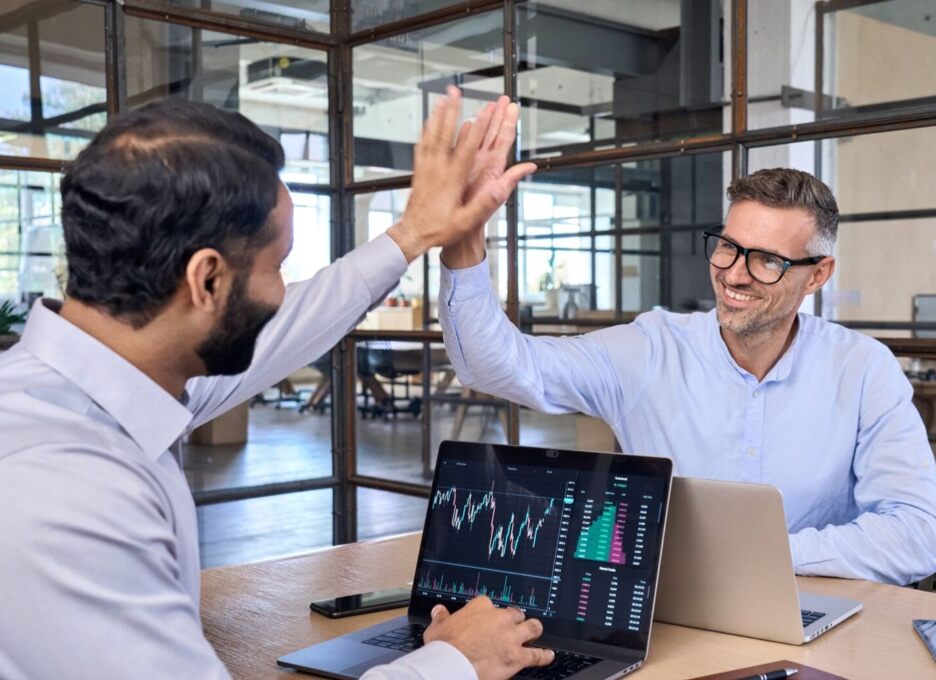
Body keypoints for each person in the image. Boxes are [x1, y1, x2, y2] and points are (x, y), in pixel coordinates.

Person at [0, 90, 552, 680]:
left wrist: (412, 234)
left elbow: (288, 330)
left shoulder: (104, 389)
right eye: (277, 267)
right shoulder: (66, 487)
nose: (282, 292)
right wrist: (454, 662)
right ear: (207, 279)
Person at [437, 168, 936, 587]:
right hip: (676, 619)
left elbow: (921, 532)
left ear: (817, 275)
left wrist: (766, 556)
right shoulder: (651, 350)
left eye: (767, 260)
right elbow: (494, 364)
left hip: (815, 616)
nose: (733, 274)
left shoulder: (863, 370)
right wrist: (464, 249)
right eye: (728, 246)